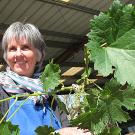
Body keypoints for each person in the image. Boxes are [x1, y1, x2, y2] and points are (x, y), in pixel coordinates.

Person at [0, 22, 92, 135]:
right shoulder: (2, 91)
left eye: (25, 48)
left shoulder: (49, 94)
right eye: (12, 49)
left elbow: (66, 127)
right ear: (6, 56)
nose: (18, 54)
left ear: (38, 55)